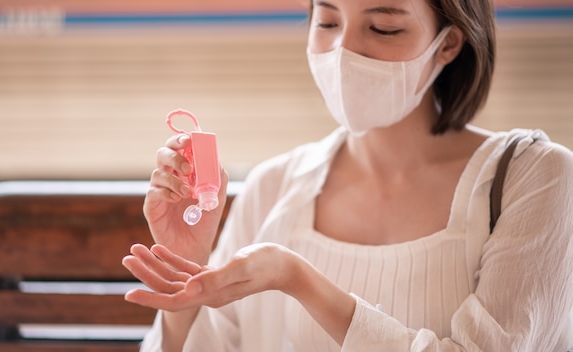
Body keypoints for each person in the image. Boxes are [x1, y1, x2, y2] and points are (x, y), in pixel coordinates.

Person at [122, 0, 573, 350]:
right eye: (327, 22)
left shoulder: (534, 177)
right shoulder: (273, 184)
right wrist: (187, 273)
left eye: (383, 27)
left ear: (449, 43)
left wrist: (298, 279)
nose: (343, 53)